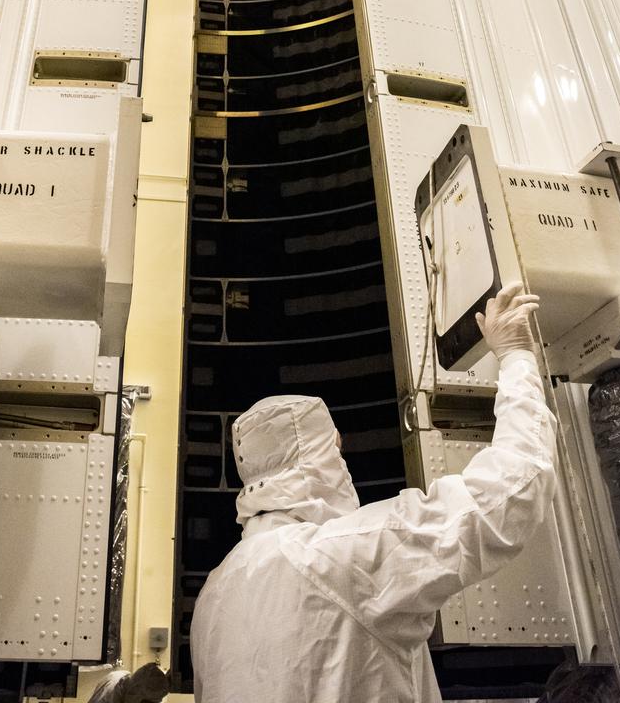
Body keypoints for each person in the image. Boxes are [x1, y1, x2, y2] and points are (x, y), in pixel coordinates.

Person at [190, 283, 557, 703]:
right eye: (335, 449)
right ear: (318, 458)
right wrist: (515, 358)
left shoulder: (213, 598)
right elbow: (514, 489)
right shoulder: (339, 558)